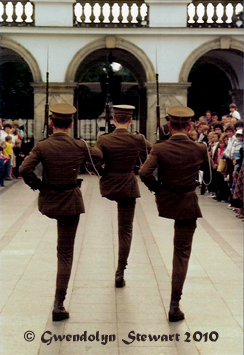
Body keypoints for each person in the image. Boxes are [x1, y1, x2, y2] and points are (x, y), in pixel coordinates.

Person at [19, 103, 102, 322]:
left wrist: (38, 186)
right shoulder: (79, 145)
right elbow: (98, 157)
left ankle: (58, 303)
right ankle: (58, 304)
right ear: (71, 124)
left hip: (50, 201)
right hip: (70, 202)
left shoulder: (42, 146)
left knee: (61, 250)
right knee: (65, 253)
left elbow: (24, 169)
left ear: (51, 123)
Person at [139, 105, 211, 322]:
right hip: (188, 203)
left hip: (167, 199)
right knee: (182, 254)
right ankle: (174, 305)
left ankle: (174, 303)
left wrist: (158, 189)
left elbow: (144, 172)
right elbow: (207, 175)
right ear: (189, 127)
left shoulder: (160, 148)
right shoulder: (199, 148)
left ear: (169, 126)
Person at [94, 104, 152, 288]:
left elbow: (92, 160)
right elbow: (154, 153)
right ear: (130, 120)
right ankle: (120, 271)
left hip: (110, 184)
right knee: (125, 229)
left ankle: (119, 270)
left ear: (113, 119)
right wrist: (139, 167)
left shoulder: (103, 140)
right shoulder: (138, 140)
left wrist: (103, 173)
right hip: (128, 184)